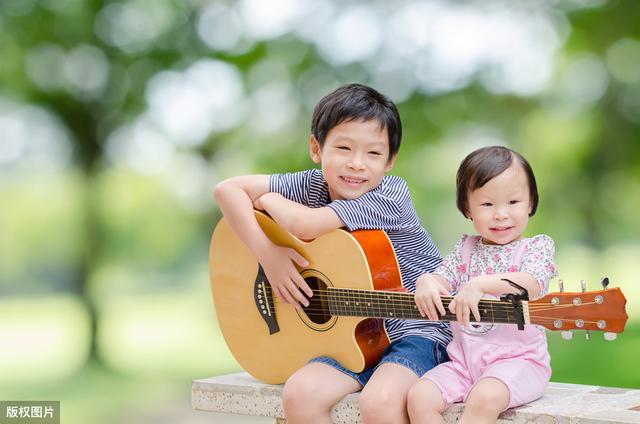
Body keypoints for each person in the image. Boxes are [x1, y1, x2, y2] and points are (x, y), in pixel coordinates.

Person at [213, 83, 451, 424]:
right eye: (343, 148)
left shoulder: (390, 196)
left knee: (380, 403)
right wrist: (270, 256)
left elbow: (305, 225)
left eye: (373, 154)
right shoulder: (313, 185)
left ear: (390, 161)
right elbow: (227, 190)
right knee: (299, 395)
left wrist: (266, 199)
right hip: (352, 333)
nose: (356, 164)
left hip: (417, 331)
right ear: (316, 147)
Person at [408, 145, 558, 424]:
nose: (501, 214)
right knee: (419, 397)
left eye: (513, 202)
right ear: (467, 208)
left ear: (531, 204)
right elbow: (441, 276)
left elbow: (532, 283)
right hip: (464, 365)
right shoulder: (465, 249)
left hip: (520, 363)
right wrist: (426, 281)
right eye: (487, 204)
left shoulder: (536, 248)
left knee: (484, 397)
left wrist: (481, 284)